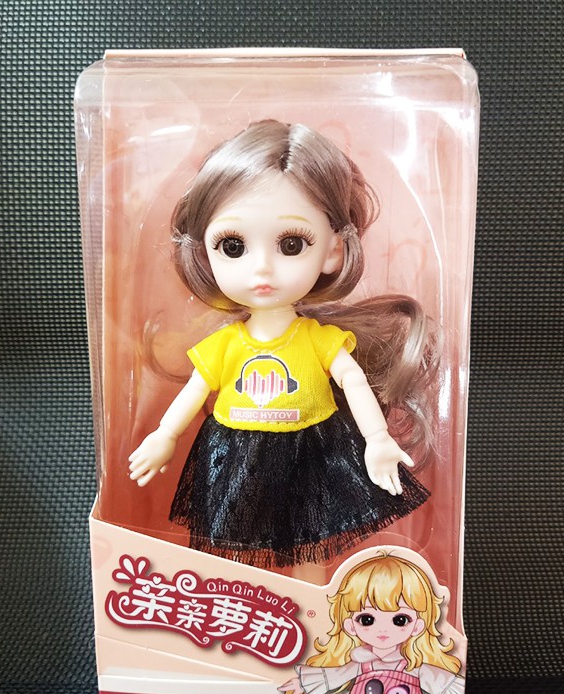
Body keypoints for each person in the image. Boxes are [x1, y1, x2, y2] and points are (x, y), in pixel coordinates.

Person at [128, 120, 438, 567]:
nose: (262, 269)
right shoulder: (226, 343)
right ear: (204, 254)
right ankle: (252, 606)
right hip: (238, 454)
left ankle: (309, 610)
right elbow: (196, 389)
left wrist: (377, 438)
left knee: (310, 545)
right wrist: (164, 435)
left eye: (291, 244)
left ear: (332, 251)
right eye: (233, 246)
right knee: (241, 552)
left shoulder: (317, 339)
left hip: (312, 448)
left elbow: (352, 380)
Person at [278, 552, 464, 694]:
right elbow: (335, 675)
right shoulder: (362, 663)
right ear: (350, 625)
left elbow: (441, 681)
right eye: (367, 619)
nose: (383, 630)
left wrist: (457, 691)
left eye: (400, 620)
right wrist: (302, 684)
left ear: (417, 625)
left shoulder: (412, 666)